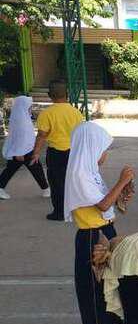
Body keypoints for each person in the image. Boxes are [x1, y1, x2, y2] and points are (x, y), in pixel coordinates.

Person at [64, 121, 133, 324]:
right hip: (92, 237)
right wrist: (122, 181)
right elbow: (103, 205)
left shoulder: (90, 171)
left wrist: (122, 193)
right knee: (91, 288)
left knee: (108, 284)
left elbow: (106, 203)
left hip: (105, 231)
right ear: (92, 148)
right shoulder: (80, 174)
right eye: (104, 149)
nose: (105, 155)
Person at [31, 79, 83, 220]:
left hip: (55, 153)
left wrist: (36, 153)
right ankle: (75, 211)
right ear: (67, 94)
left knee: (56, 183)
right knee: (72, 181)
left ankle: (60, 213)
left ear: (50, 95)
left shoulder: (47, 113)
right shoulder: (76, 113)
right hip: (73, 152)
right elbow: (80, 133)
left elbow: (42, 135)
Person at [0, 95, 50, 200]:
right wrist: (19, 152)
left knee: (16, 169)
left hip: (25, 149)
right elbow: (19, 136)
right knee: (34, 168)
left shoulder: (21, 116)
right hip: (22, 151)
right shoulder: (21, 119)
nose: (30, 108)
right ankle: (46, 189)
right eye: (29, 106)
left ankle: (46, 189)